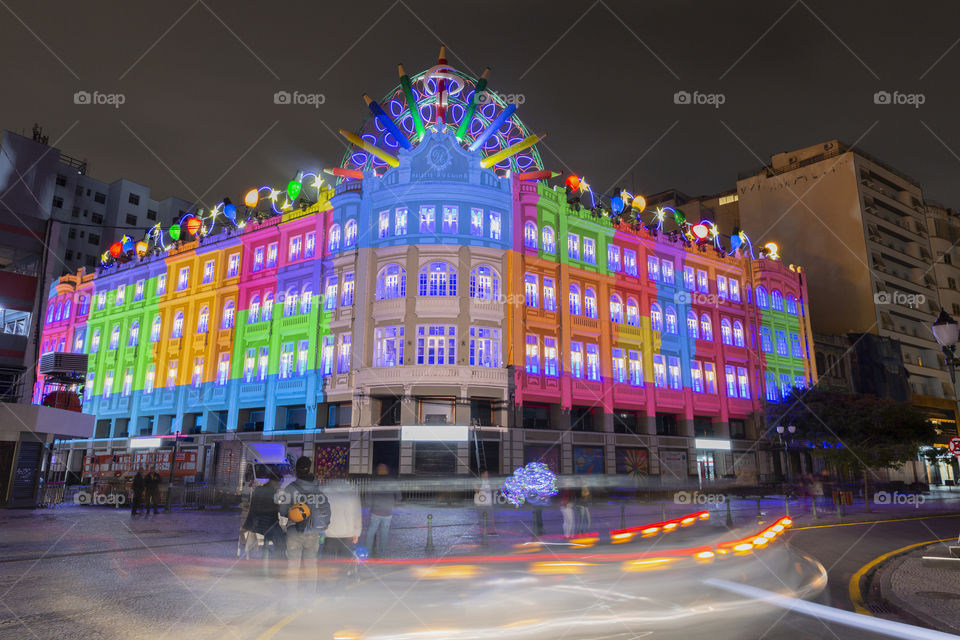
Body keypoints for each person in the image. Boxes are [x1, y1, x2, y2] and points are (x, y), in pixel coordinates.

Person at [277, 457, 331, 596]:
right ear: (310, 469)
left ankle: (291, 601)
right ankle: (309, 602)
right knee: (311, 567)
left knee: (293, 567)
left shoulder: (290, 488)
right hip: (312, 532)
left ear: (296, 470)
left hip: (294, 531)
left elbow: (283, 511)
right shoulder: (317, 487)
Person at [322, 475, 363, 573]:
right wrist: (357, 533)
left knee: (327, 563)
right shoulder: (352, 492)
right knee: (344, 564)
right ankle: (342, 583)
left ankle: (327, 584)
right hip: (347, 534)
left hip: (330, 533)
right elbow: (357, 515)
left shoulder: (325, 492)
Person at [243, 471, 286, 562]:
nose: (279, 485)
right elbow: (274, 508)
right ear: (274, 481)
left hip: (255, 523)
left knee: (280, 537)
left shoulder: (259, 489)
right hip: (267, 524)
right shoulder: (272, 491)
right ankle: (278, 561)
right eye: (279, 482)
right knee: (283, 542)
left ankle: (270, 559)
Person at [365, 464, 400, 558]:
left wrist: (369, 505)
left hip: (376, 511)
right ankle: (382, 555)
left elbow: (368, 495)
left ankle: (367, 553)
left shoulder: (374, 481)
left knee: (371, 532)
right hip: (388, 511)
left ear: (378, 471)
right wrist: (394, 503)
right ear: (387, 471)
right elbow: (399, 496)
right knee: (384, 533)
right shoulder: (392, 481)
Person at [473, 470, 496, 534]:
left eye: (487, 474)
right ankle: (481, 531)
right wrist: (483, 489)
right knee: (481, 518)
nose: (487, 475)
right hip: (480, 504)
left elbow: (493, 489)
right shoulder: (477, 482)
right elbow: (477, 491)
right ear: (482, 474)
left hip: (488, 504)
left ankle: (491, 530)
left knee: (490, 518)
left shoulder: (489, 482)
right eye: (485, 474)